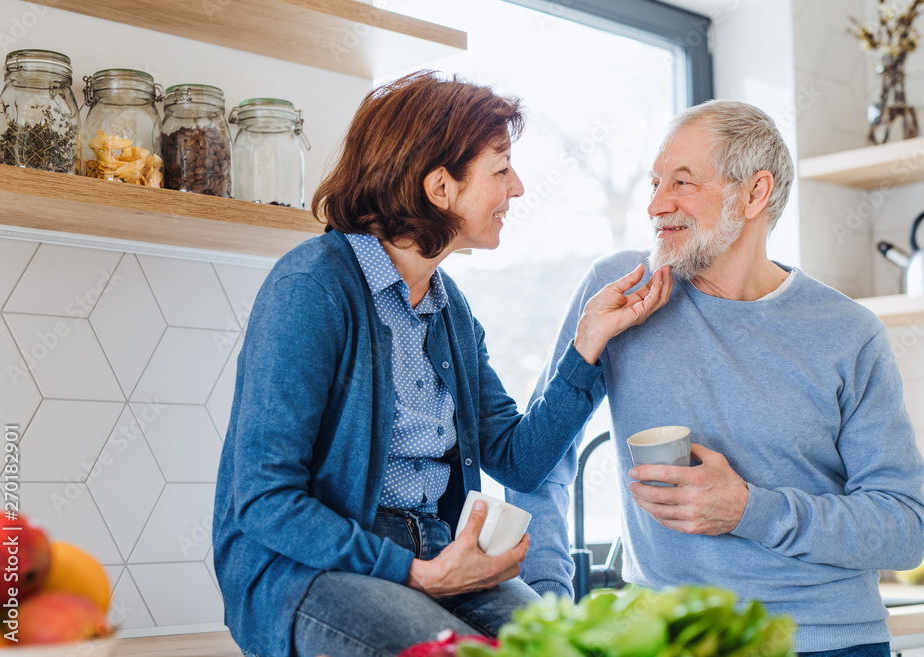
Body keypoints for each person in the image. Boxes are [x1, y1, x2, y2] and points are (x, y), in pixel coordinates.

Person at [212, 71, 673, 657]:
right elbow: (264, 500)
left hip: (438, 554)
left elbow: (520, 460)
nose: (519, 188)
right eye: (501, 169)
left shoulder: (447, 307)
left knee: (566, 650)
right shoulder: (313, 288)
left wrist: (589, 345)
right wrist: (415, 574)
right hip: (305, 572)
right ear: (440, 187)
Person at [508, 99, 924, 657]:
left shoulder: (849, 333)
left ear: (754, 194)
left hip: (827, 641)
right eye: (655, 182)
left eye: (683, 183)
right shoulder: (621, 290)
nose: (657, 204)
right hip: (666, 637)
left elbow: (903, 527)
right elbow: (537, 464)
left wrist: (749, 510)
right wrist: (547, 605)